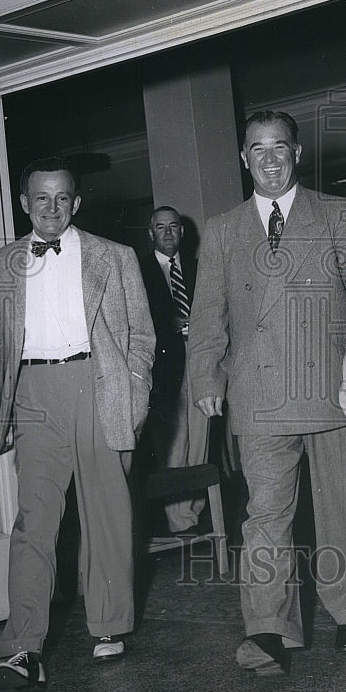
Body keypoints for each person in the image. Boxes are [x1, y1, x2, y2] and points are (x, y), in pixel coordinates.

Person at [188, 110, 346, 675]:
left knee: (342, 512)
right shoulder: (224, 228)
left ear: (297, 154)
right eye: (258, 149)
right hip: (256, 394)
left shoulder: (335, 213)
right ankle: (269, 632)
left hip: (334, 391)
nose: (270, 158)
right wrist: (206, 377)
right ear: (244, 158)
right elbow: (208, 314)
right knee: (265, 518)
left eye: (280, 147)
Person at [0, 156, 155, 689]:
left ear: (76, 203)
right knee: (35, 520)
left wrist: (135, 393)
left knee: (108, 513)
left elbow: (141, 336)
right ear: (24, 203)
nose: (51, 208)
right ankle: (24, 646)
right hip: (33, 394)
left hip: (100, 386)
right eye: (40, 198)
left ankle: (109, 626)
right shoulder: (0, 264)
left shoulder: (114, 257)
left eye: (62, 199)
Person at [139, 207, 209, 532]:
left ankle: (194, 514)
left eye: (174, 227)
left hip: (200, 362)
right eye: (160, 227)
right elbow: (134, 320)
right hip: (165, 368)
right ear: (151, 233)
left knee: (201, 442)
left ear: (182, 232)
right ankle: (178, 520)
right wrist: (169, 324)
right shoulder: (139, 272)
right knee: (174, 444)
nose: (168, 233)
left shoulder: (198, 269)